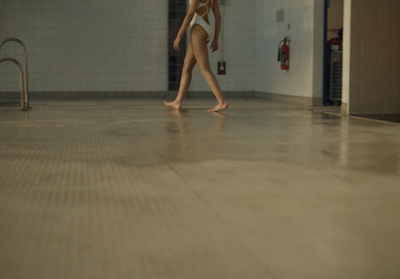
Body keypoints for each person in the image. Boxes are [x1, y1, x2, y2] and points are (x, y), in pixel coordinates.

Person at [164, 0, 228, 113]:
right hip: (207, 28)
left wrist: (179, 36)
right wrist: (216, 38)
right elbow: (218, 16)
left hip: (198, 29)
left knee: (205, 69)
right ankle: (178, 101)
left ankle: (221, 101)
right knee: (187, 66)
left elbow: (190, 15)